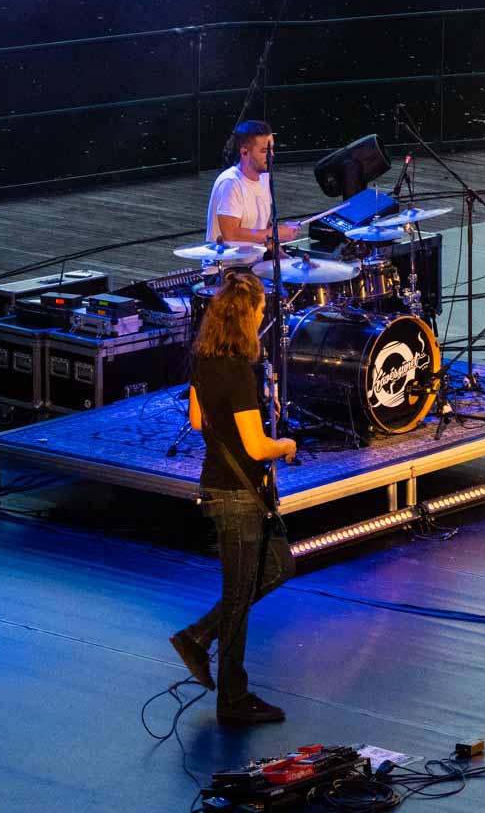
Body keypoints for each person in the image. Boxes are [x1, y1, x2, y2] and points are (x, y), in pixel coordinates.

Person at [169, 269, 298, 725]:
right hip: (237, 493)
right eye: (260, 311)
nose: (263, 317)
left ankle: (199, 639)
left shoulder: (205, 360)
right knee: (240, 595)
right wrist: (286, 445)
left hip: (221, 486)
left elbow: (198, 420)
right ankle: (232, 696)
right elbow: (258, 448)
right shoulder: (239, 373)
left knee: (279, 567)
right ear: (246, 317)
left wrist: (250, 409)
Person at [205, 119, 300, 265]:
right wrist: (274, 233)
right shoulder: (231, 182)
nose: (271, 155)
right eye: (264, 151)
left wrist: (283, 257)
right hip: (226, 270)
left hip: (253, 265)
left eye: (272, 149)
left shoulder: (265, 177)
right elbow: (231, 235)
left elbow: (264, 230)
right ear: (244, 152)